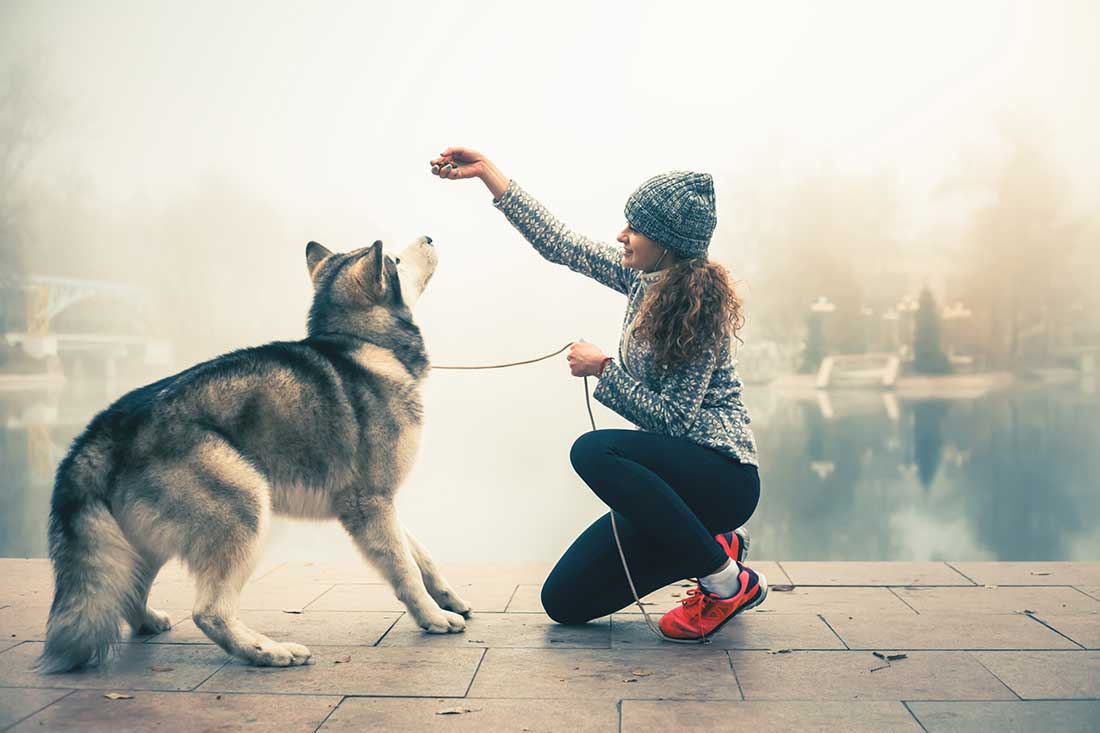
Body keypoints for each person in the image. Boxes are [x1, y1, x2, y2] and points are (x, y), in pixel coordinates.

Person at [428, 147, 766, 639]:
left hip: (720, 476)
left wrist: (603, 369)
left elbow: (674, 421)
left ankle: (724, 580)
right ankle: (714, 546)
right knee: (564, 601)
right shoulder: (642, 278)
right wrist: (488, 174)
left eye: (634, 227)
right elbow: (561, 244)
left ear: (667, 243)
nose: (620, 235)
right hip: (674, 489)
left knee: (593, 450)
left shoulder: (701, 313)